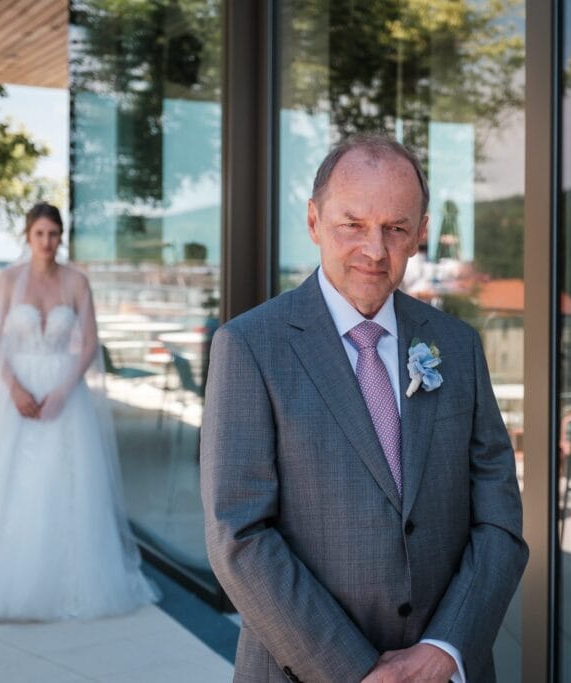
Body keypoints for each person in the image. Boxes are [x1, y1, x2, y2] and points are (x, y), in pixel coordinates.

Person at [201, 135, 529, 682]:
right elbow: (238, 535)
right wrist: (356, 673)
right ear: (313, 222)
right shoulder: (249, 346)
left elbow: (498, 515)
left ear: (421, 233)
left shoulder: (459, 345)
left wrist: (445, 648)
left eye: (395, 228)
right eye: (351, 224)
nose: (375, 250)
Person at [0, 203, 156, 621]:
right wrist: (13, 388)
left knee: (65, 483)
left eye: (54, 234)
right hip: (11, 390)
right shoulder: (6, 280)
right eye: (40, 234)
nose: (47, 242)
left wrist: (63, 390)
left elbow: (91, 343)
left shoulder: (77, 282)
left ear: (62, 237)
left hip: (62, 391)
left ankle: (64, 581)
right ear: (28, 236)